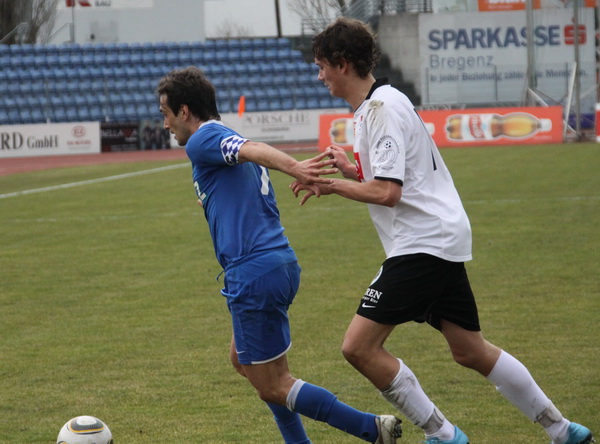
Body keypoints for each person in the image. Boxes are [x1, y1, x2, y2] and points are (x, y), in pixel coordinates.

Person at [291, 17, 594, 444]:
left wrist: (330, 185)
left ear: (342, 64)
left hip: (423, 242)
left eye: (322, 66)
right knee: (470, 349)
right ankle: (563, 430)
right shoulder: (380, 105)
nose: (320, 76)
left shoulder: (380, 109)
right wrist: (351, 171)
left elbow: (388, 192)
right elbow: (401, 179)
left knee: (358, 347)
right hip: (438, 237)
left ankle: (444, 434)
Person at [156, 66, 402, 444]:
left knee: (274, 384)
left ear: (184, 111)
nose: (165, 123)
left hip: (253, 271)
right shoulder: (223, 136)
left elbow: (253, 150)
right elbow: (249, 153)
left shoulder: (203, 139)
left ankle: (371, 428)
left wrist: (296, 167)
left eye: (166, 113)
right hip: (276, 263)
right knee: (245, 362)